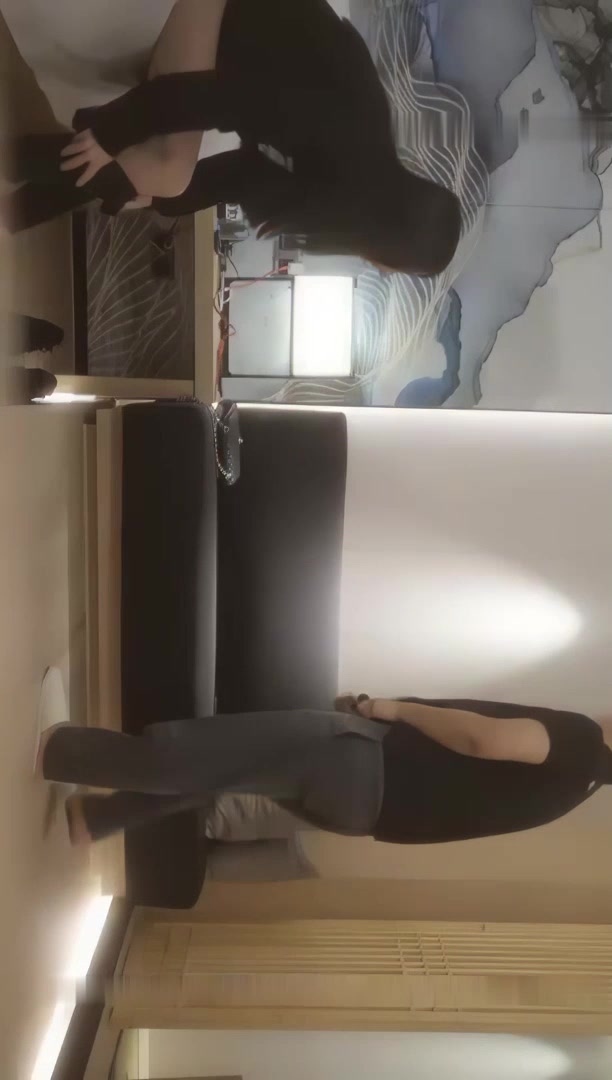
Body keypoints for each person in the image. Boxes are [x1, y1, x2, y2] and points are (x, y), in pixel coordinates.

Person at [3, 0, 461, 276]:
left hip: (225, 52)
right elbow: (223, 101)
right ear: (392, 241)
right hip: (224, 10)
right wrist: (113, 130)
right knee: (166, 170)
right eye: (399, 267)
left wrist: (155, 197)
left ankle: (16, 204)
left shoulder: (346, 187)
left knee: (157, 180)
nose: (386, 271)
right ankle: (16, 178)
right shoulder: (349, 127)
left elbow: (241, 175)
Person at [36, 677, 612, 848]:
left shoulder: (582, 742)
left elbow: (485, 740)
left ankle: (61, 750)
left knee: (202, 753)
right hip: (365, 813)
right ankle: (96, 819)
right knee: (225, 770)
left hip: (363, 764)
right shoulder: (580, 788)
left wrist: (392, 708)